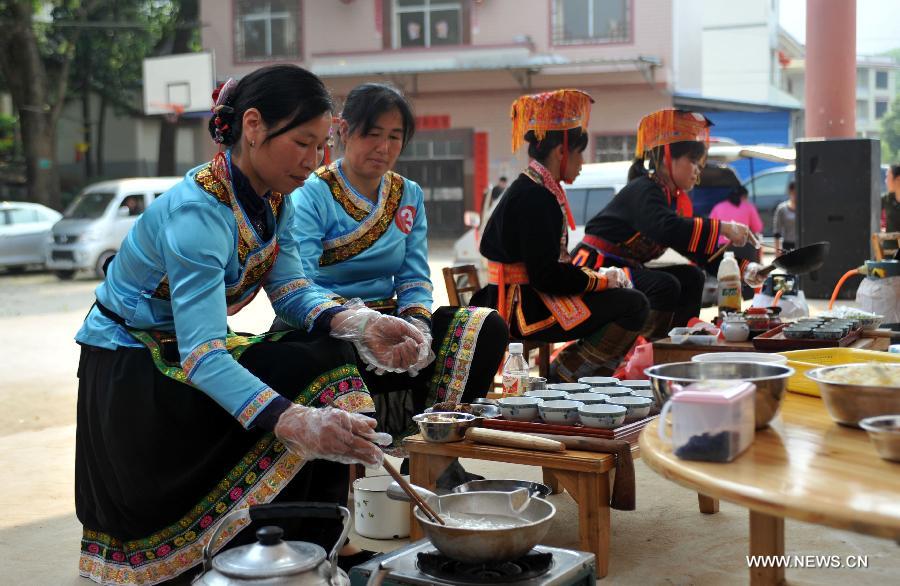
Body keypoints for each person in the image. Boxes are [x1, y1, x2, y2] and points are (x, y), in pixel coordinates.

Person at [74, 66, 429, 585]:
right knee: (301, 392)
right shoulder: (198, 215)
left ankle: (307, 549)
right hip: (136, 364)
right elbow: (202, 355)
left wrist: (360, 324)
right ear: (255, 126)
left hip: (189, 352)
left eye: (320, 145)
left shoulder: (273, 197)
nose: (314, 162)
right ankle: (241, 550)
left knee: (326, 362)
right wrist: (291, 419)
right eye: (303, 143)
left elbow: (289, 289)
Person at [277, 83, 507, 484]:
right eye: (372, 134)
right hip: (331, 321)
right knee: (324, 352)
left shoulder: (409, 195)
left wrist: (416, 326)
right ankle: (346, 469)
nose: (383, 146)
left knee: (485, 325)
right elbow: (304, 279)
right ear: (344, 131)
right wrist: (360, 326)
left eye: (394, 136)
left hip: (393, 319)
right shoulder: (313, 193)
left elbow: (415, 276)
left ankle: (434, 454)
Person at [472, 89, 648, 382]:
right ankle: (564, 377)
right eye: (579, 153)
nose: (581, 163)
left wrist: (598, 279)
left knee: (623, 298)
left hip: (523, 297)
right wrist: (602, 280)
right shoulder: (536, 197)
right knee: (634, 304)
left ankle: (568, 374)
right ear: (561, 152)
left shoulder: (529, 188)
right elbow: (546, 276)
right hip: (522, 309)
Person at [569, 109, 764, 339]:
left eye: (700, 165)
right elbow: (666, 228)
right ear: (667, 157)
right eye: (693, 162)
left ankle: (681, 340)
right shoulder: (645, 189)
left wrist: (746, 268)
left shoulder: (671, 200)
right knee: (665, 285)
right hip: (596, 267)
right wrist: (723, 228)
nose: (697, 172)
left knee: (692, 277)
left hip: (626, 269)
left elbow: (695, 250)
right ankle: (647, 348)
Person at [774, 180, 797, 257]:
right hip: (788, 245)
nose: (795, 195)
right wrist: (777, 250)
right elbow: (777, 231)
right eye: (794, 193)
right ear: (790, 192)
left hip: (803, 244)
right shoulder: (782, 209)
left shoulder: (804, 208)